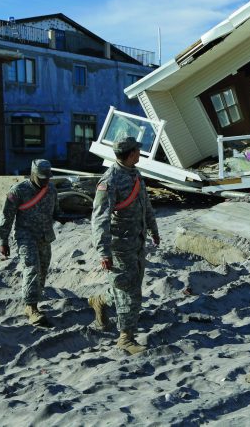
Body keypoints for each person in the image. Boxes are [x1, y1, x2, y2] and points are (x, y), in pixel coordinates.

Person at [89, 137, 160, 354]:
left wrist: (153, 229)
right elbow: (99, 218)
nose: (140, 153)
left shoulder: (135, 174)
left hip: (137, 240)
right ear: (131, 154)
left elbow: (145, 202)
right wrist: (103, 251)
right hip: (119, 245)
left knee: (129, 285)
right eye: (138, 150)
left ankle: (100, 301)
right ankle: (125, 338)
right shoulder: (109, 181)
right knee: (131, 292)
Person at [0, 159, 59, 326]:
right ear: (33, 174)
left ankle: (35, 302)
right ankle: (30, 307)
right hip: (25, 236)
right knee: (32, 268)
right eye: (42, 177)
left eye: (48, 177)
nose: (45, 180)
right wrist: (4, 240)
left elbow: (57, 211)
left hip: (45, 236)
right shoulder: (18, 191)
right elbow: (6, 217)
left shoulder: (52, 190)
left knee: (42, 271)